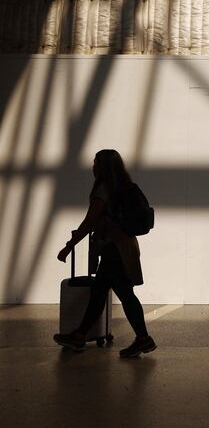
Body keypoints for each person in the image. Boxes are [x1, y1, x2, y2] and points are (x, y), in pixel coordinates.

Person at [53, 149, 156, 358]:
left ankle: (143, 339)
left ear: (103, 166)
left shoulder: (104, 188)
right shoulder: (123, 187)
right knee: (101, 293)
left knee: (123, 295)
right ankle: (80, 336)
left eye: (95, 161)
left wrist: (69, 245)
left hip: (114, 250)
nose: (93, 165)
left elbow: (90, 220)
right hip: (123, 246)